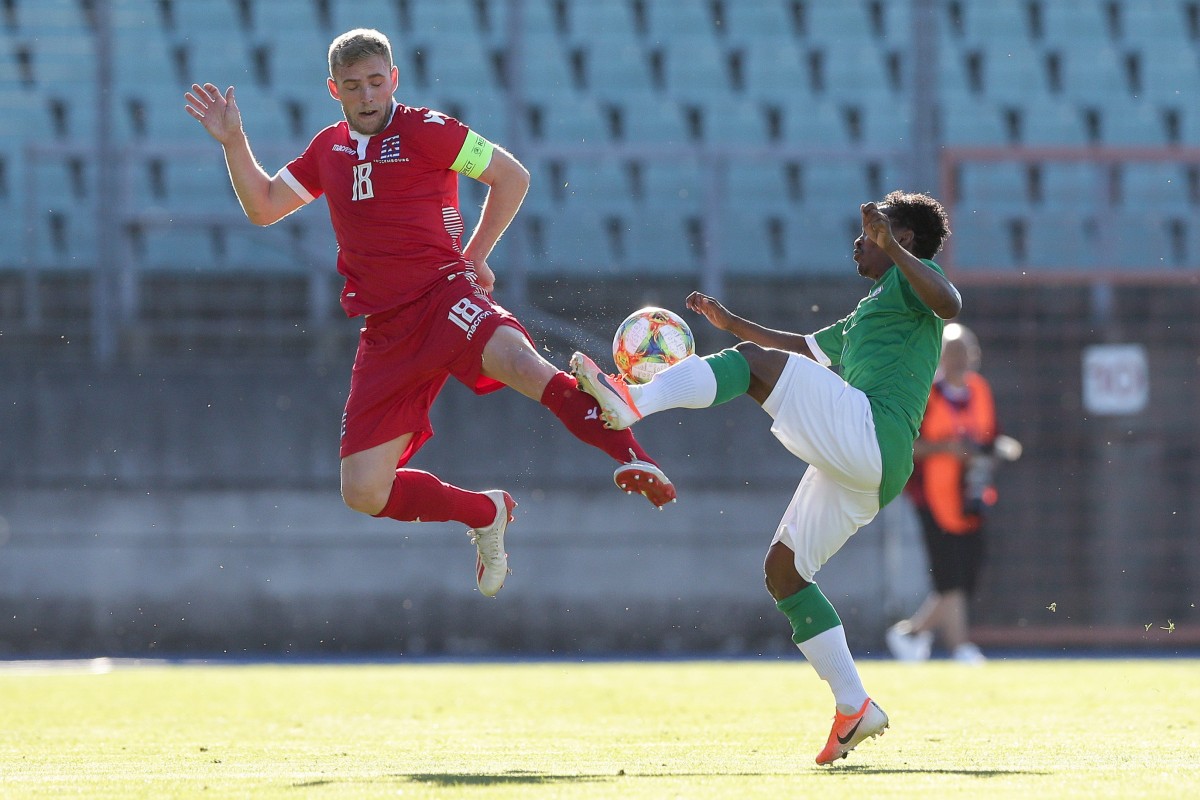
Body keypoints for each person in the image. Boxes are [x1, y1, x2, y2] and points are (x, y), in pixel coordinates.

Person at [183, 28, 675, 599]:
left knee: (522, 365)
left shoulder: (428, 131)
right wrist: (233, 141)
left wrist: (475, 257)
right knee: (363, 491)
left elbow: (511, 177)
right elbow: (265, 206)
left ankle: (634, 459)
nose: (367, 95)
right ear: (333, 90)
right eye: (352, 86)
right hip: (386, 331)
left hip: (446, 295)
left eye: (375, 82)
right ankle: (484, 512)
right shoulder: (328, 150)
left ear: (393, 79)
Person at [570, 192, 961, 765]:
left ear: (901, 239)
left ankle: (633, 403)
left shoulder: (914, 284)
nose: (859, 240)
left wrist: (894, 248)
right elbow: (803, 349)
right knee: (785, 571)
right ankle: (854, 706)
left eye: (871, 232)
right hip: (872, 468)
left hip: (875, 434)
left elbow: (949, 303)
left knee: (751, 366)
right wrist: (733, 325)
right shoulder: (872, 308)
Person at [886, 323, 1021, 665]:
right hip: (932, 496)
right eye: (952, 352)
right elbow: (907, 444)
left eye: (965, 351)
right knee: (949, 576)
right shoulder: (926, 395)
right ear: (940, 357)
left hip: (972, 495)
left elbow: (990, 437)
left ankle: (912, 633)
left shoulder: (980, 390)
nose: (959, 359)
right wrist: (947, 448)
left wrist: (997, 449)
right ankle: (960, 647)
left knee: (967, 574)